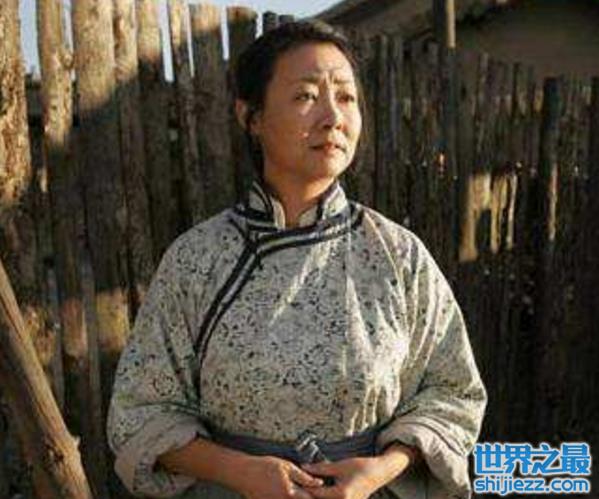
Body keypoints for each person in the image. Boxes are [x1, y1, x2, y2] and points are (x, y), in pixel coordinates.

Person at [107, 20, 487, 499]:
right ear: (251, 116)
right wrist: (240, 471)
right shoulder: (197, 259)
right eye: (306, 95)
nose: (333, 117)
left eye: (346, 97)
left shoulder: (397, 254)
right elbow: (140, 412)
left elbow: (452, 392)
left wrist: (380, 469)